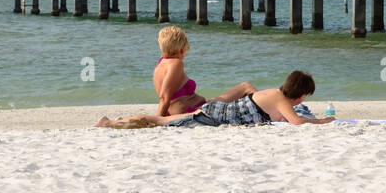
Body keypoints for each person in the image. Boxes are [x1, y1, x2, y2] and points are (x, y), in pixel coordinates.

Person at [96, 71, 334, 128]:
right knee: (161, 122)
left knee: (159, 120)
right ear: (301, 93)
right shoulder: (281, 98)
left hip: (215, 110)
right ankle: (111, 124)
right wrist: (322, 122)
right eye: (305, 95)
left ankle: (115, 121)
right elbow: (297, 123)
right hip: (213, 116)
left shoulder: (274, 93)